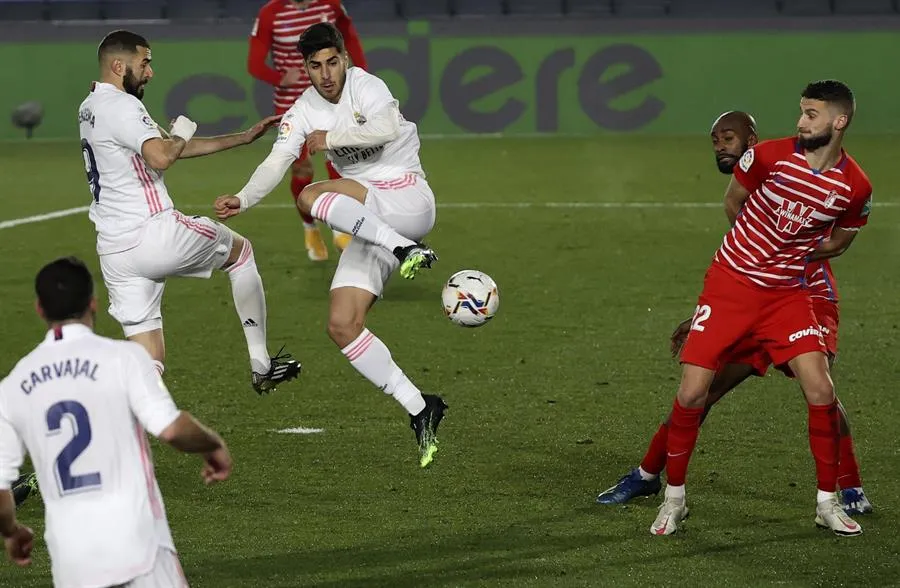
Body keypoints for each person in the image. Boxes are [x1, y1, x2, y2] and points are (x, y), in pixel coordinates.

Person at [596, 111, 872, 516]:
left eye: (728, 138)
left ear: (752, 140)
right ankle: (648, 474)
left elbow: (832, 238)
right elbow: (742, 254)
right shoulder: (759, 183)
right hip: (748, 300)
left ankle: (849, 486)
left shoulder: (802, 170)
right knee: (700, 392)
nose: (721, 146)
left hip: (806, 297)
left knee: (821, 390)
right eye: (715, 140)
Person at [215, 23, 448, 468]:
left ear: (345, 58)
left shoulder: (367, 86)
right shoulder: (302, 110)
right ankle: (421, 407)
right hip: (371, 221)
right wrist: (243, 198)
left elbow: (385, 127)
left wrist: (334, 139)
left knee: (310, 196)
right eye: (315, 66)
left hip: (407, 200)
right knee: (342, 324)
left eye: (332, 62)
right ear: (305, 68)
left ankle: (405, 250)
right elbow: (276, 160)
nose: (326, 73)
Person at [79, 29, 300, 394]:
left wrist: (241, 137)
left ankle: (113, 421)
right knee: (241, 253)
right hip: (154, 233)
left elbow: (166, 148)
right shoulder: (122, 106)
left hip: (115, 252)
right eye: (144, 63)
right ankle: (261, 365)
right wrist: (181, 132)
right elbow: (164, 154)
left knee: (148, 363)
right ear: (119, 66)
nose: (150, 72)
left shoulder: (90, 106)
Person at [0, 257, 232, 586]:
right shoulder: (124, 358)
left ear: (40, 309)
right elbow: (173, 429)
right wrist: (214, 445)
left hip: (72, 561)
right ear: (92, 303)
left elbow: (0, 492)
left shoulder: (13, 386)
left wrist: (12, 531)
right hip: (140, 546)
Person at [249, 0, 368, 260]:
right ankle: (310, 228)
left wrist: (362, 78)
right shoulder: (271, 14)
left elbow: (350, 37)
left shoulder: (331, 5)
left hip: (334, 101)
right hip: (293, 104)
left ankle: (339, 227)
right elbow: (254, 63)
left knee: (342, 163)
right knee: (303, 169)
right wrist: (278, 78)